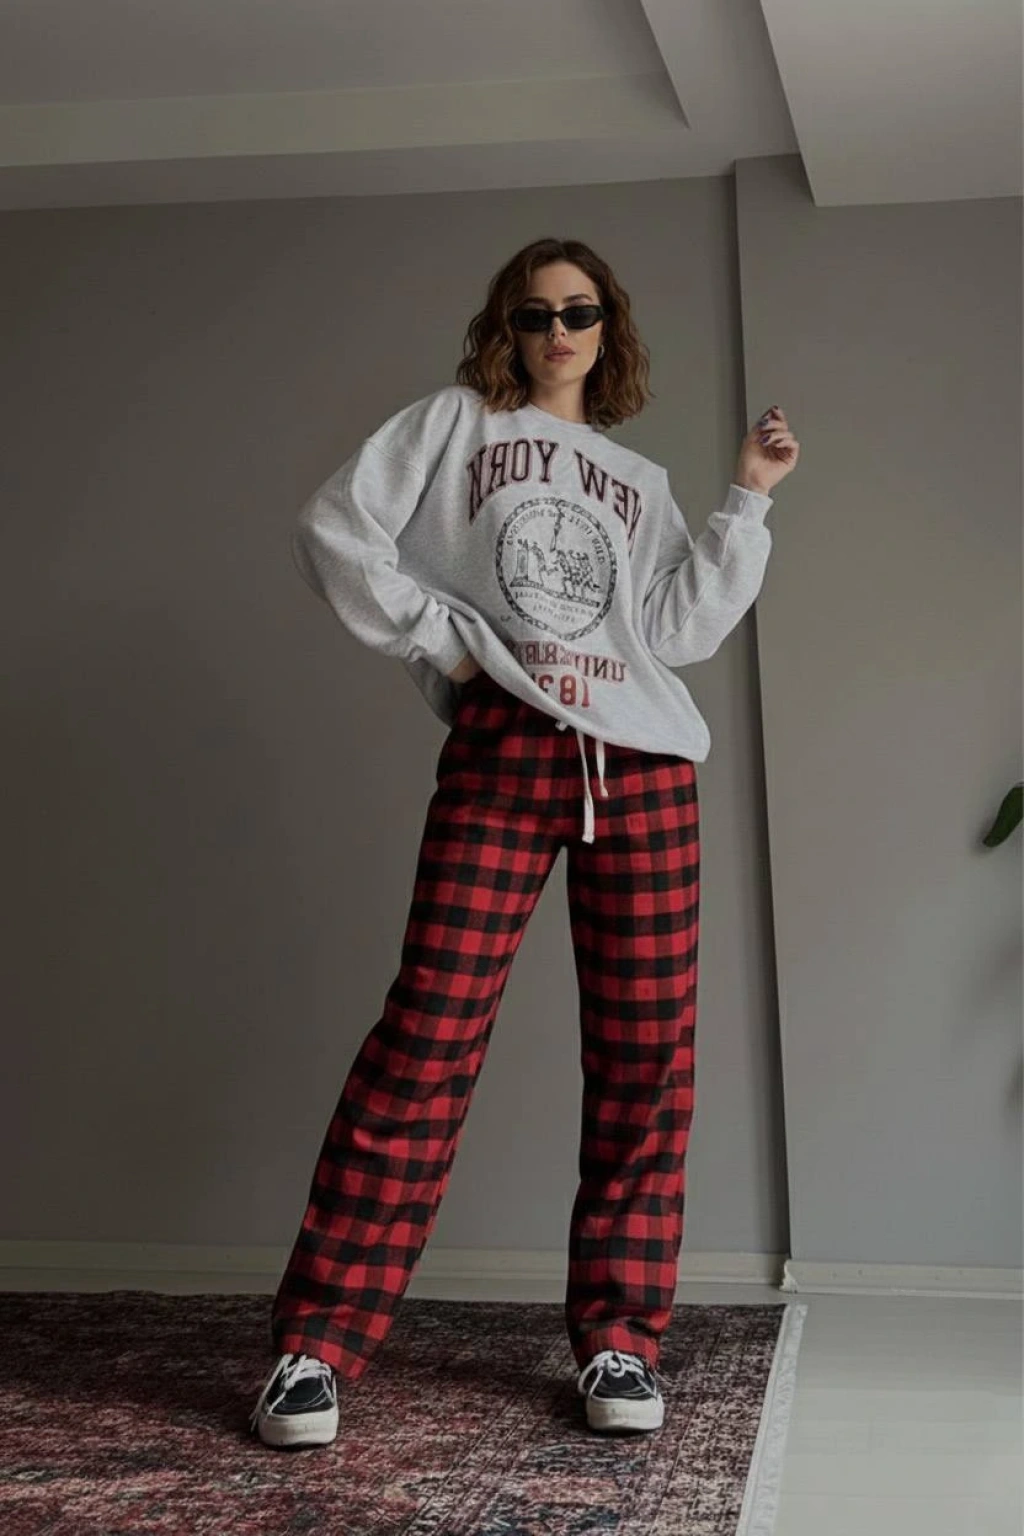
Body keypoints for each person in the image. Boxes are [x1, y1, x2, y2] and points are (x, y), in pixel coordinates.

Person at [249, 236, 800, 1448]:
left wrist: (748, 496)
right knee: (425, 1038)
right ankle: (313, 1348)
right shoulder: (455, 427)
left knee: (646, 1062)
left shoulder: (637, 479)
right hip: (506, 748)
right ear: (504, 328)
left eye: (578, 312)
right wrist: (449, 647)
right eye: (534, 313)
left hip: (641, 766)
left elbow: (676, 629)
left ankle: (619, 1341)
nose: (557, 332)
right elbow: (333, 529)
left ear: (608, 331)